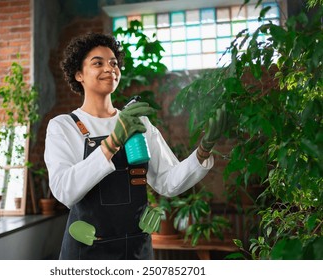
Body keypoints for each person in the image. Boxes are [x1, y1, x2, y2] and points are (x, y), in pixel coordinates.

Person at [44, 33, 226, 260]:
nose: (109, 69)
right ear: (78, 74)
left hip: (136, 250)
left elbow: (168, 182)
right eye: (98, 63)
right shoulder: (63, 126)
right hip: (87, 251)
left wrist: (203, 151)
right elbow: (64, 191)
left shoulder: (139, 122)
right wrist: (112, 142)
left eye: (113, 63)